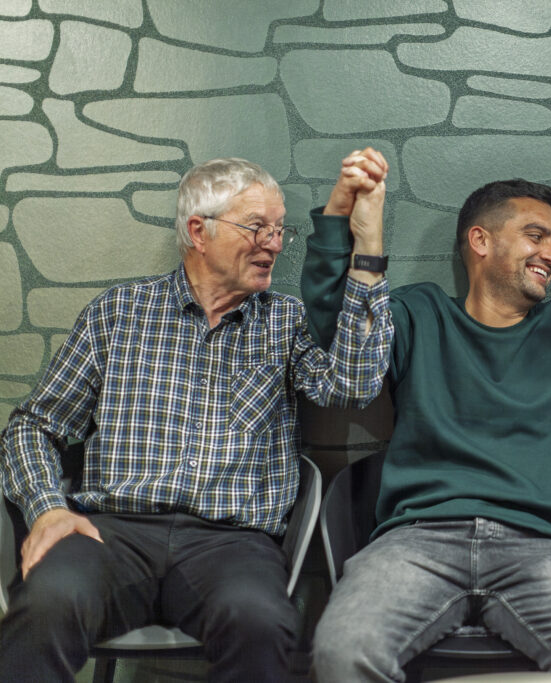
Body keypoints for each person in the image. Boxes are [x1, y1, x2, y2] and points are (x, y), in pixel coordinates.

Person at [300, 148, 551, 681]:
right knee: (341, 652)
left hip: (546, 549)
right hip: (418, 540)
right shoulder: (419, 315)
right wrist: (340, 220)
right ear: (481, 241)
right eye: (536, 236)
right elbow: (338, 333)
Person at [0, 157, 393, 682]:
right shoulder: (118, 313)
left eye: (280, 230)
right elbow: (33, 426)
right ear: (197, 231)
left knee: (261, 622)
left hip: (231, 544)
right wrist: (47, 509)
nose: (275, 244)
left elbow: (355, 386)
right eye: (257, 228)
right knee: (45, 603)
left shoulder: (284, 321)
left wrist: (366, 250)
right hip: (112, 533)